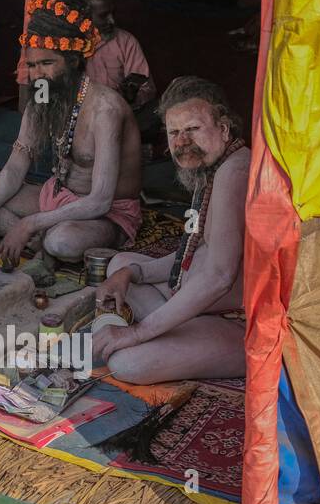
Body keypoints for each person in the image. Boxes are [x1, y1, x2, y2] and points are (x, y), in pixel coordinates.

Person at [0, 0, 141, 267]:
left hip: (103, 214)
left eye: (47, 64)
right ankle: (34, 238)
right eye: (32, 65)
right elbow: (16, 166)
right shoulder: (42, 99)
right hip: (55, 197)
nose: (38, 75)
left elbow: (100, 200)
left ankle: (35, 235)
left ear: (73, 61)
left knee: (61, 241)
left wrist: (29, 223)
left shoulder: (105, 108)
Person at [91, 76, 249, 384]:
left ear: (224, 128)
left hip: (242, 323)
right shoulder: (213, 166)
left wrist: (136, 333)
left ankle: (159, 334)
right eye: (174, 132)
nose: (181, 142)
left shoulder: (235, 172)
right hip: (202, 302)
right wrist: (135, 273)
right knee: (120, 266)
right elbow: (196, 250)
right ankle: (169, 329)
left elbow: (219, 278)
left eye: (192, 129)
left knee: (127, 363)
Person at [77, 0, 156, 112]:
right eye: (103, 16)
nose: (112, 20)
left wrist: (132, 97)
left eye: (113, 13)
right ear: (84, 15)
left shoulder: (126, 41)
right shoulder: (66, 44)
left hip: (118, 115)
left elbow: (147, 89)